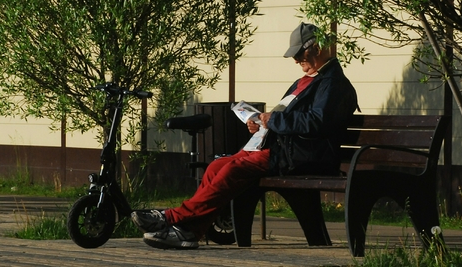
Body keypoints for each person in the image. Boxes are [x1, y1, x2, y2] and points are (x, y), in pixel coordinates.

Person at [131, 22, 358, 249]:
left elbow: (318, 122)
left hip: (304, 156)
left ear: (316, 48)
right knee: (217, 166)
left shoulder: (333, 84)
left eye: (300, 55)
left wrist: (274, 121)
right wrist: (263, 125)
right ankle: (189, 232)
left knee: (232, 170)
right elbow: (292, 118)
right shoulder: (306, 81)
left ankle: (172, 218)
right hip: (286, 150)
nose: (297, 61)